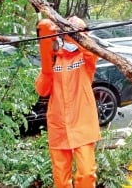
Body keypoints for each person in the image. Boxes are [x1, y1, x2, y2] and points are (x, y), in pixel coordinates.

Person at [35, 17, 100, 188]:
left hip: (82, 124)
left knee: (86, 174)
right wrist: (47, 66)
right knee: (61, 180)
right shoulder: (53, 59)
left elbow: (88, 47)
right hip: (59, 126)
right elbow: (42, 90)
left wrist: (70, 30)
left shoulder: (85, 57)